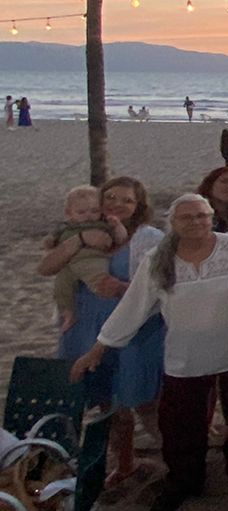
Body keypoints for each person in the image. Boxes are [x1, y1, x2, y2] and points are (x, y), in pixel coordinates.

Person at [71, 195, 228, 511]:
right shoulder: (158, 258)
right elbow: (133, 308)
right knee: (179, 424)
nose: (195, 223)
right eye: (186, 218)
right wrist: (98, 348)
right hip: (186, 356)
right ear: (172, 223)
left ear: (212, 217)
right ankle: (185, 481)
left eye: (201, 216)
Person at [44, 176, 165, 485]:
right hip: (85, 325)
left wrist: (123, 288)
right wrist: (79, 242)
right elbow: (47, 267)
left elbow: (160, 288)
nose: (118, 204)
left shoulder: (147, 237)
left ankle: (177, 456)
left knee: (144, 398)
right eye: (111, 197)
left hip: (134, 326)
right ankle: (124, 463)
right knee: (106, 401)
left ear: (138, 206)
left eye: (127, 200)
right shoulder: (83, 232)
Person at [46, 184, 125, 326]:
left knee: (94, 273)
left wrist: (117, 226)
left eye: (94, 211)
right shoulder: (65, 226)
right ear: (69, 213)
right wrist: (50, 242)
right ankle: (67, 312)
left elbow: (120, 238)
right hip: (69, 262)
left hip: (92, 256)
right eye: (81, 212)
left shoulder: (102, 224)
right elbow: (50, 243)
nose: (88, 216)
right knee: (61, 285)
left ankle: (113, 287)